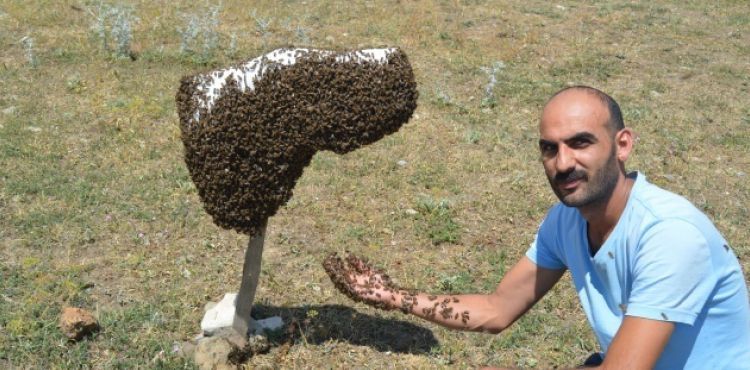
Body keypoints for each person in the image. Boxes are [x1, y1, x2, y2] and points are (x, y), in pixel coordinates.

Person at [324, 86, 750, 369]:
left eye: (581, 142)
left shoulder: (670, 235)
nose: (563, 163)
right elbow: (496, 309)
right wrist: (392, 296)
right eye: (550, 149)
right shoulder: (566, 219)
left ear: (623, 145)